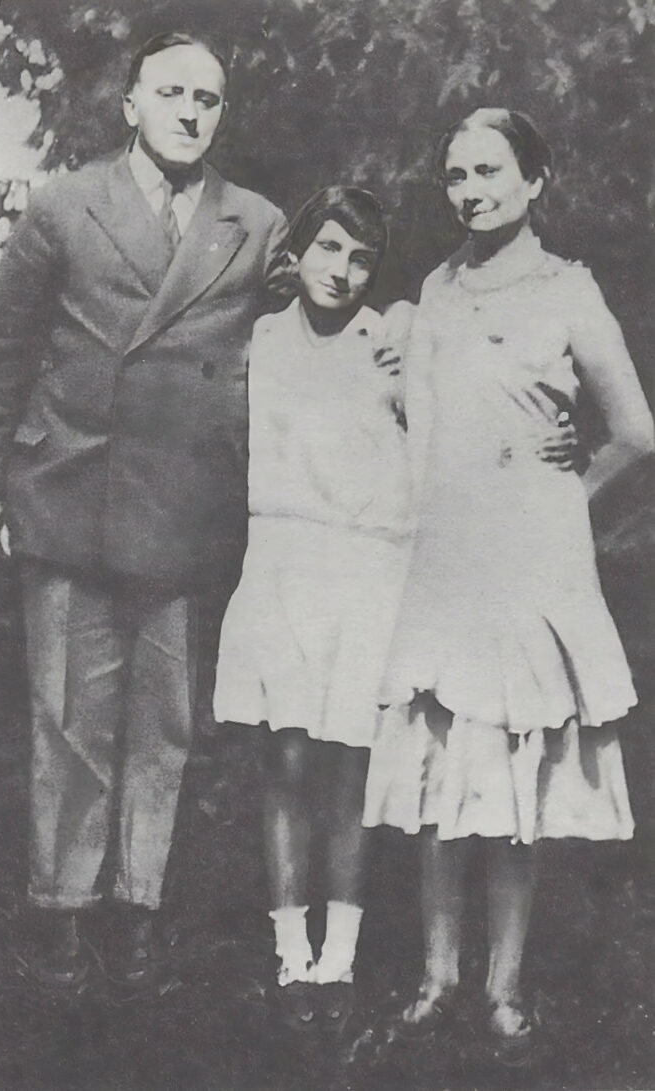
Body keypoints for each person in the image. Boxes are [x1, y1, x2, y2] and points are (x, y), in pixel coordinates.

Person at [0, 29, 286, 994]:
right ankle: (62, 913)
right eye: (173, 92)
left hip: (187, 513)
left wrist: (387, 347)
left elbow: (316, 327)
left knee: (165, 726)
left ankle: (137, 906)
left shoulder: (256, 223)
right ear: (131, 105)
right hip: (69, 493)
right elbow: (4, 347)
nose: (191, 111)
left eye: (210, 98)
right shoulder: (65, 203)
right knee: (69, 718)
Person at [363, 108, 654, 1057]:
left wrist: (572, 484)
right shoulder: (435, 291)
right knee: (442, 763)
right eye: (455, 174)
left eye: (490, 171)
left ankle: (504, 987)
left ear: (536, 181)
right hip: (445, 555)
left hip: (530, 556)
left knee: (514, 768)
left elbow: (636, 432)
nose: (471, 190)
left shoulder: (571, 290)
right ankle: (437, 974)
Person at [212, 186, 416, 1031]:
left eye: (362, 256)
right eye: (329, 248)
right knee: (288, 759)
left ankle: (343, 956)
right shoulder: (257, 338)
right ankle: (291, 948)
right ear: (297, 254)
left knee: (350, 769)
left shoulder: (394, 341)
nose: (344, 270)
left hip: (370, 569)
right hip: (285, 563)